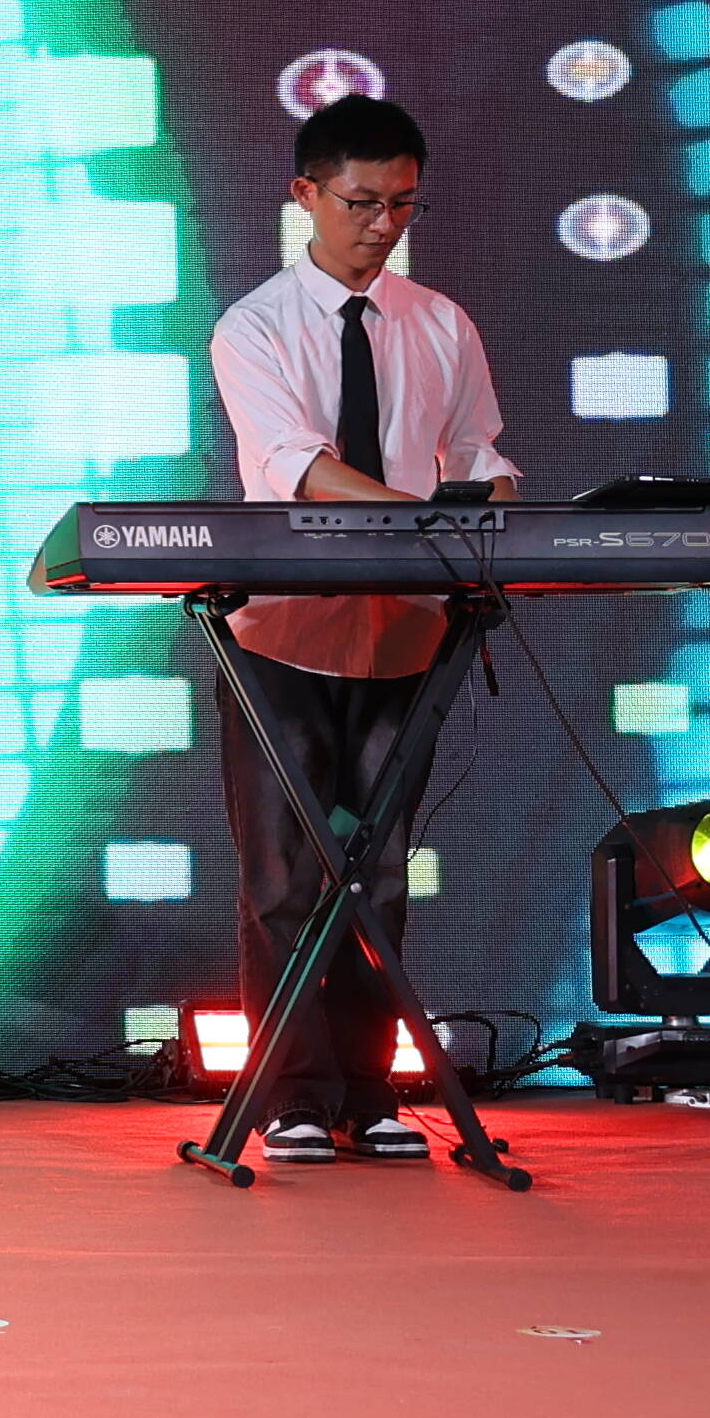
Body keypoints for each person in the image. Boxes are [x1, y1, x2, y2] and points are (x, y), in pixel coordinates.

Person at [199, 91, 512, 1162]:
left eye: (404, 204)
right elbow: (300, 466)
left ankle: (370, 1094)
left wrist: (493, 503)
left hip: (405, 632)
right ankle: (293, 1095)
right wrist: (421, 516)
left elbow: (479, 452)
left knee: (376, 875)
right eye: (362, 202)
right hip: (283, 636)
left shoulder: (442, 323)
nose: (384, 224)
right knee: (286, 878)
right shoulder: (254, 326)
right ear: (307, 194)